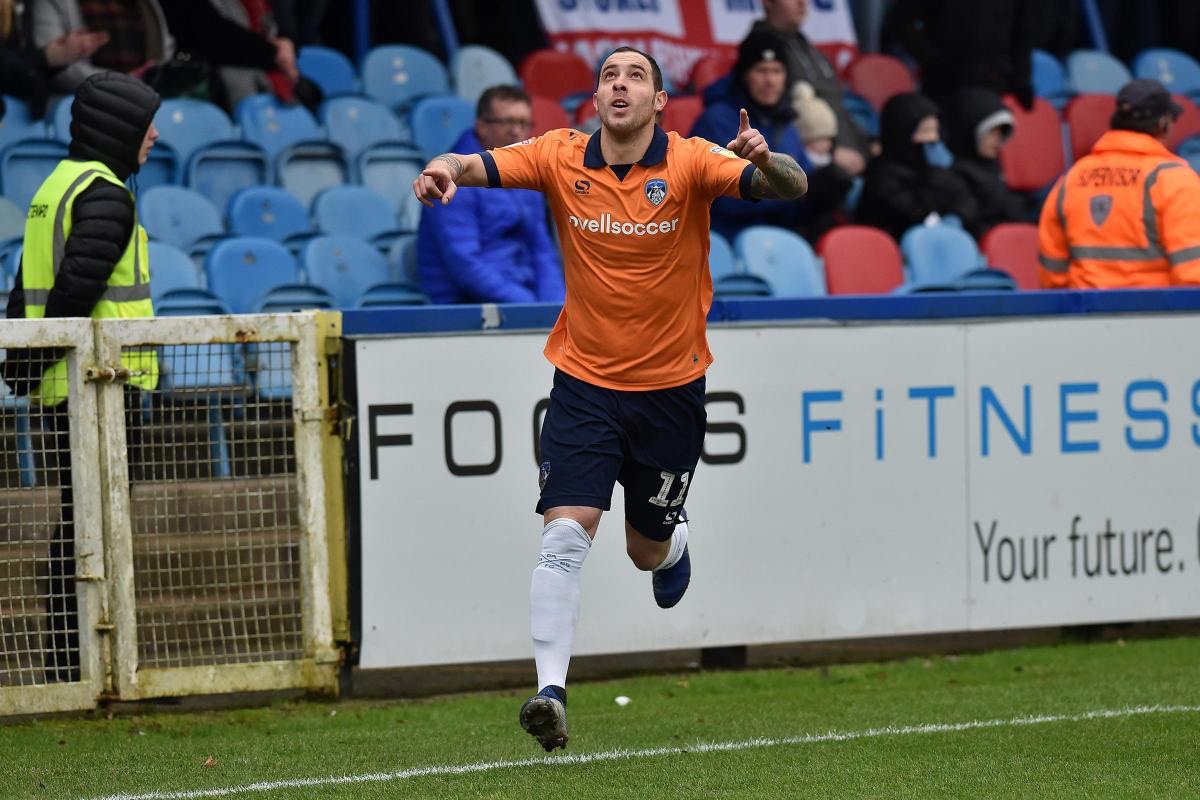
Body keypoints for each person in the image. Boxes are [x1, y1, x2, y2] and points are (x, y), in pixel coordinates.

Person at [412, 46, 806, 751]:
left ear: (660, 102)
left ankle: (673, 539)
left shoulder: (691, 161)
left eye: (636, 77)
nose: (619, 85)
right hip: (585, 383)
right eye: (608, 76)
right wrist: (444, 168)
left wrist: (765, 158)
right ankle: (550, 694)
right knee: (564, 534)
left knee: (642, 550)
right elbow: (476, 164)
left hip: (670, 393)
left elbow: (792, 187)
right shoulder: (560, 156)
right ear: (595, 100)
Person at [1, 70, 160, 682]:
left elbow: (27, 289)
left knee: (79, 525)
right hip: (97, 391)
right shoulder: (105, 196)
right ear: (119, 127)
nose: (153, 135)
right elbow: (73, 294)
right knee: (95, 532)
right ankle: (89, 668)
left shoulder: (54, 188)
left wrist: (22, 367)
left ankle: (77, 666)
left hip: (64, 389)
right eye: (146, 122)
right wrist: (34, 361)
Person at [1038, 79, 1200, 289]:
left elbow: (1052, 277)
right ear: (1163, 123)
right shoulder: (1175, 180)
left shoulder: (1073, 178)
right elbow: (1193, 274)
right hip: (1157, 315)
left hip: (1086, 315)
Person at [416, 85, 564, 304]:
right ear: (482, 126)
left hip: (522, 299)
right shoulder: (453, 178)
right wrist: (529, 307)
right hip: (465, 308)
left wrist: (555, 304)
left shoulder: (529, 173)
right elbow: (464, 264)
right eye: (508, 122)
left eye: (523, 123)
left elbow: (542, 250)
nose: (517, 131)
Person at [690, 29, 811, 242]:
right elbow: (722, 198)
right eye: (761, 70)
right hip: (726, 239)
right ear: (745, 75)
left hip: (783, 240)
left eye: (777, 71)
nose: (770, 80)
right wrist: (788, 194)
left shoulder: (786, 122)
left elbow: (806, 179)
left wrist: (818, 195)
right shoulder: (716, 119)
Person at [750, 0, 869, 177]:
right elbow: (777, 113)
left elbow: (837, 103)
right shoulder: (759, 48)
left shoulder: (810, 49)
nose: (802, 3)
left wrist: (867, 143)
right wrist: (829, 153)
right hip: (815, 163)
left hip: (851, 151)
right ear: (768, 3)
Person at [856, 92, 980, 241]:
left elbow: (966, 200)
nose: (933, 138)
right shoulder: (881, 174)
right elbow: (912, 212)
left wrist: (957, 216)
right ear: (902, 132)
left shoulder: (937, 167)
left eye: (935, 130)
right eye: (925, 131)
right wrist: (936, 174)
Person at [882, 0, 1036, 110]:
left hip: (995, 85)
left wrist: (1020, 78)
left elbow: (1023, 32)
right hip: (945, 88)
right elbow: (901, 21)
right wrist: (934, 62)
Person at [0, 0, 108, 117]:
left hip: (23, 112)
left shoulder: (23, 5)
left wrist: (55, 57)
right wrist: (45, 58)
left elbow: (24, 58)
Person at [945, 87, 1029, 235]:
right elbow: (975, 223)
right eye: (991, 132)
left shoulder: (992, 165)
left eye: (1002, 133)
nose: (998, 140)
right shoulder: (959, 175)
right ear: (972, 131)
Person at [792, 79, 854, 242]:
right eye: (818, 139)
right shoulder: (797, 165)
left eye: (829, 139)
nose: (826, 144)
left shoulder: (831, 166)